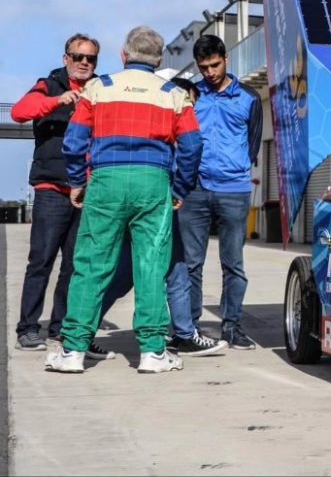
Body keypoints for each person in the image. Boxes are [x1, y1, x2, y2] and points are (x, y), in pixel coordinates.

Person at [44, 26, 202, 374]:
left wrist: (76, 181)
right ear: (159, 59)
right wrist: (180, 189)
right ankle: (152, 351)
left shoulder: (98, 89)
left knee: (90, 265)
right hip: (153, 182)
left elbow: (74, 141)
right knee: (151, 266)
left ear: (123, 55)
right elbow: (192, 146)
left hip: (105, 180)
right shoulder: (174, 94)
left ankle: (73, 351)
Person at [95, 77, 228, 357]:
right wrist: (179, 190)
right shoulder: (169, 123)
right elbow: (191, 150)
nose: (191, 106)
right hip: (154, 205)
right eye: (189, 100)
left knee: (173, 268)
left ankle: (182, 333)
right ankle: (166, 338)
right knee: (128, 274)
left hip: (144, 200)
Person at [11, 33, 114, 359]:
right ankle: (28, 329)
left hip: (87, 191)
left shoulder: (101, 89)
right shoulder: (49, 84)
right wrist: (58, 100)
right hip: (52, 189)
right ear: (66, 57)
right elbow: (19, 112)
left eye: (91, 58)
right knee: (40, 261)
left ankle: (60, 328)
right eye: (78, 56)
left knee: (74, 265)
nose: (85, 63)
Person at [179, 34, 262, 351]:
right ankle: (190, 328)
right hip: (195, 190)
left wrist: (237, 166)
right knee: (190, 264)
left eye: (214, 65)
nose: (210, 73)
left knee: (233, 264)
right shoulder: (190, 96)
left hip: (234, 191)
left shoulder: (250, 98)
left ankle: (232, 326)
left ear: (226, 58)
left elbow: (253, 143)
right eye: (203, 68)